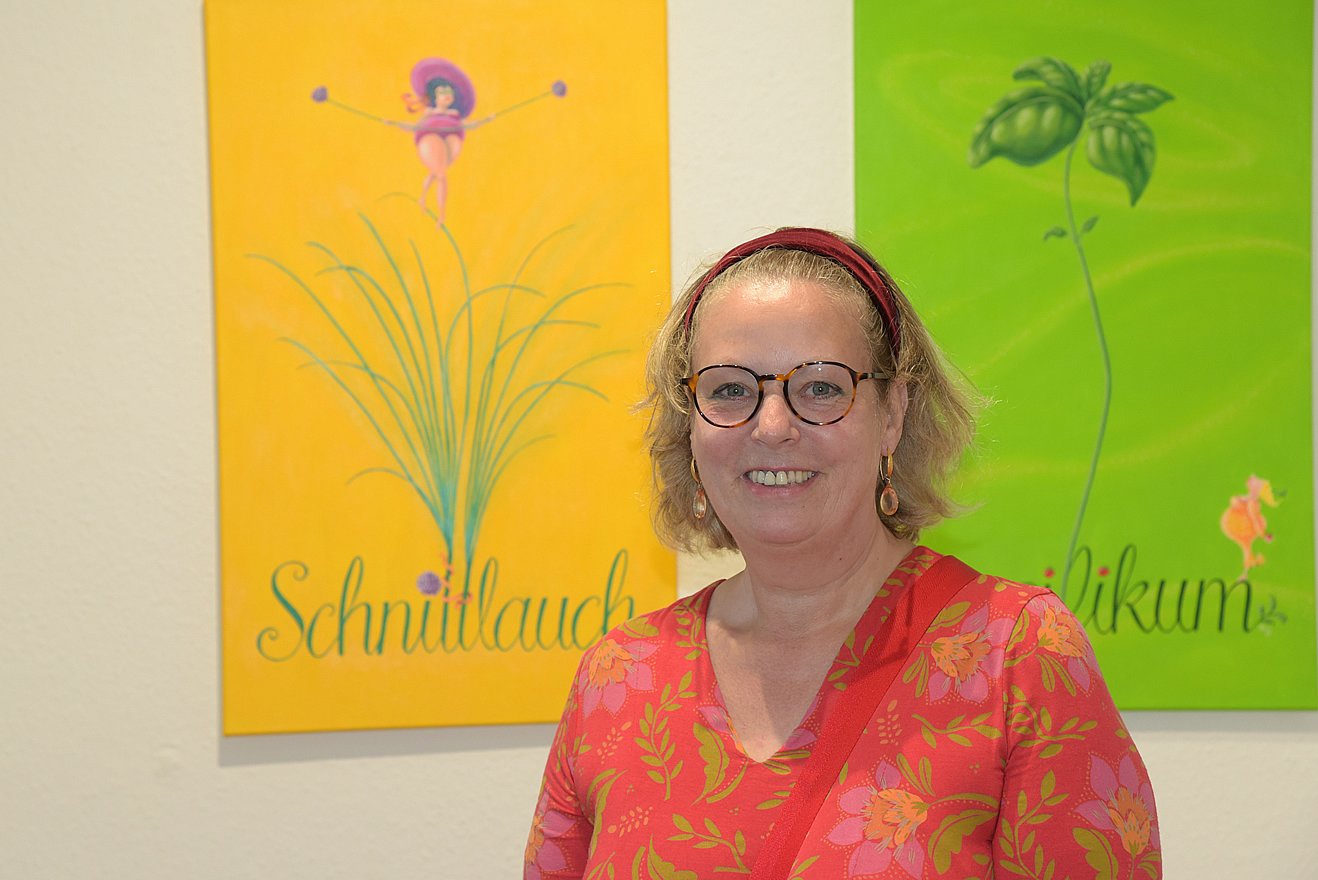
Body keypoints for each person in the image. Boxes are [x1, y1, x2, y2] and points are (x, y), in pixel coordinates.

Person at [524, 228, 1160, 879]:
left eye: (822, 387)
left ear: (893, 414)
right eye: (730, 390)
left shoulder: (1016, 654)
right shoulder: (617, 678)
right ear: (690, 425)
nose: (773, 426)